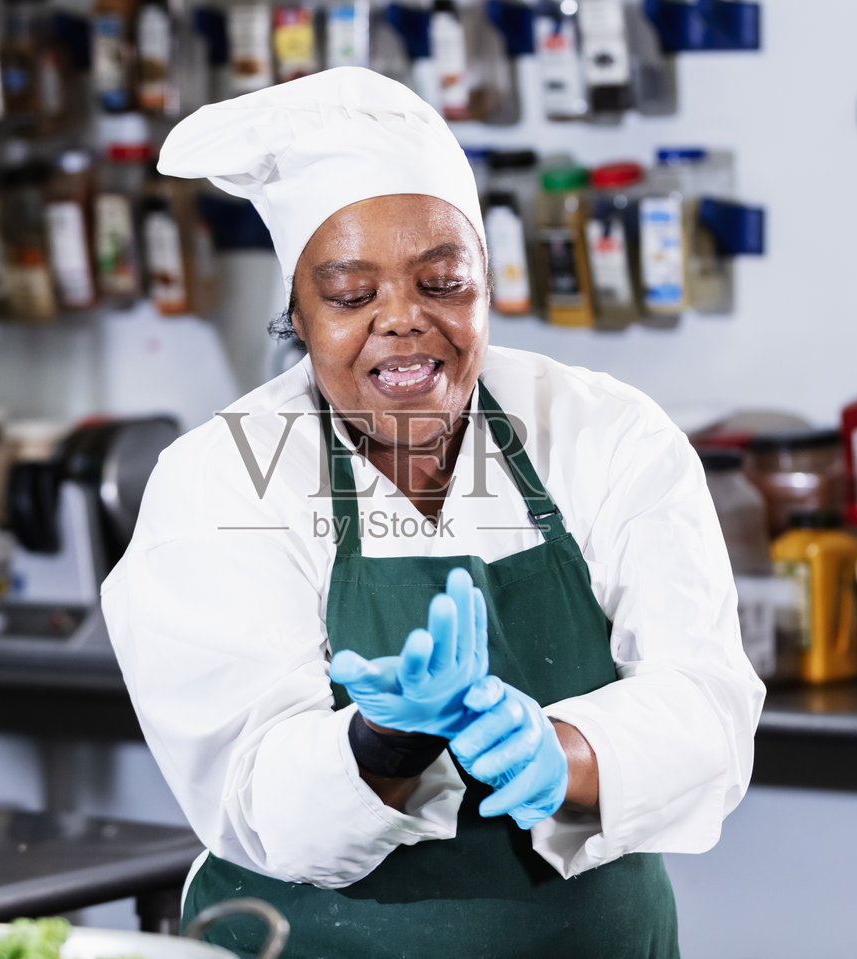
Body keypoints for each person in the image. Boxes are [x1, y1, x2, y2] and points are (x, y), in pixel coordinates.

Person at [102, 67, 764, 958]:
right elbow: (254, 800)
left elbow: (707, 704)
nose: (403, 320)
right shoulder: (220, 481)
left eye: (443, 281)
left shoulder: (604, 432)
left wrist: (558, 747)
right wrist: (385, 742)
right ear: (297, 314)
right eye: (351, 295)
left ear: (488, 282)